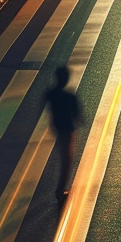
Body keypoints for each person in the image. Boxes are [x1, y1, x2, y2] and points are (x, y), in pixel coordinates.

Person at [45, 65, 82, 203]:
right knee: (66, 161)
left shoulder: (50, 94)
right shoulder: (70, 96)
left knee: (63, 157)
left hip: (58, 128)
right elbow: (78, 116)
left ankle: (60, 189)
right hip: (67, 130)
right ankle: (60, 191)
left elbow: (47, 106)